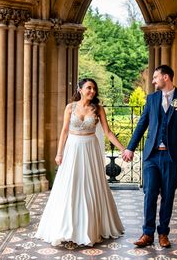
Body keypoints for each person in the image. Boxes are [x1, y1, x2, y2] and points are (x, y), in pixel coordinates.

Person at [35, 78, 125, 247]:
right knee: (70, 186)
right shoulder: (70, 107)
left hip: (90, 149)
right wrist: (59, 153)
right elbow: (64, 131)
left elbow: (108, 132)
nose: (92, 91)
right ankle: (67, 229)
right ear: (80, 89)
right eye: (88, 88)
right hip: (72, 149)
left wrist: (123, 149)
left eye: (94, 89)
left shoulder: (98, 109)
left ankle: (90, 228)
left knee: (90, 186)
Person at [122, 65, 177, 248]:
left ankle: (163, 232)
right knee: (150, 193)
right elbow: (142, 125)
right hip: (151, 155)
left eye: (155, 77)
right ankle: (147, 234)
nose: (153, 81)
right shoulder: (152, 99)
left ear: (165, 77)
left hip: (173, 156)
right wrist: (130, 148)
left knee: (168, 194)